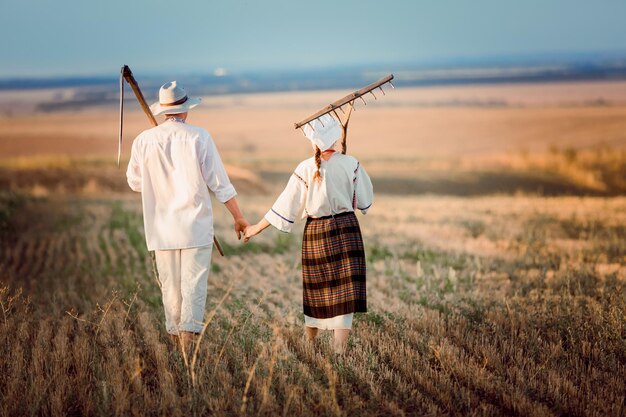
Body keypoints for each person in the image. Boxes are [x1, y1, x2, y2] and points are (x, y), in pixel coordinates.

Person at [126, 81, 248, 347]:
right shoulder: (199, 137)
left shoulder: (144, 141)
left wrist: (158, 176)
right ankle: (187, 348)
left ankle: (176, 345)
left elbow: (134, 183)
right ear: (185, 110)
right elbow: (220, 183)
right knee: (193, 285)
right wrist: (238, 217)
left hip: (161, 228)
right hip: (195, 225)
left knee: (170, 288)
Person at [244, 112, 373, 353]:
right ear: (335, 139)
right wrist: (346, 168)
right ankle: (339, 352)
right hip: (347, 229)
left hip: (316, 232)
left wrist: (255, 228)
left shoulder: (304, 168)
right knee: (344, 292)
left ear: (313, 141)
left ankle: (310, 345)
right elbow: (365, 203)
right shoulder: (351, 163)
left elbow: (285, 206)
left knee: (317, 290)